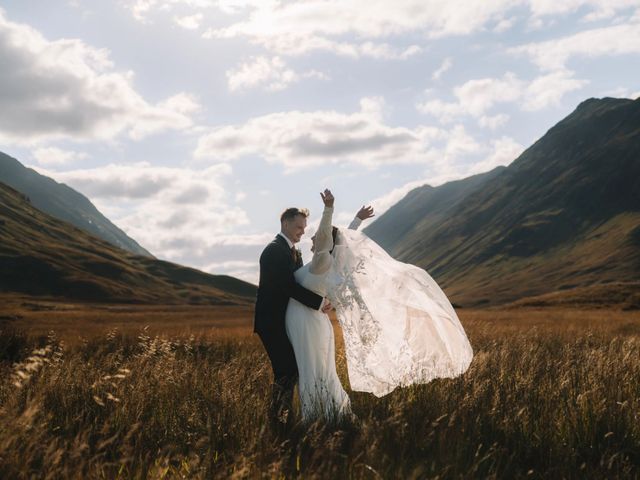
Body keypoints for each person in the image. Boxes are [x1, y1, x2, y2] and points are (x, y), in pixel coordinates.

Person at [285, 190, 373, 422]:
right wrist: (357, 219)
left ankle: (315, 418)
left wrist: (329, 209)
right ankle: (328, 415)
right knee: (317, 370)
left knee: (311, 370)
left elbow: (328, 235)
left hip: (307, 321)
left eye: (317, 235)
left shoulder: (322, 261)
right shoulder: (332, 261)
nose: (313, 236)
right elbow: (341, 239)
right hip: (311, 321)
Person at [254, 207, 332, 429]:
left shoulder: (292, 251)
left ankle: (281, 417)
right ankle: (278, 420)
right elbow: (288, 286)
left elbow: (299, 283)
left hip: (284, 321)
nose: (302, 232)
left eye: (304, 228)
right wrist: (318, 303)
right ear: (285, 223)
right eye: (299, 227)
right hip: (271, 322)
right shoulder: (274, 251)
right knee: (286, 370)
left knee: (289, 370)